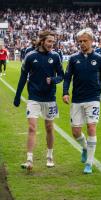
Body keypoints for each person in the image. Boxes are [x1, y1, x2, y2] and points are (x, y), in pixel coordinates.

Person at [63, 28, 101, 174]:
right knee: (76, 131)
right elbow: (67, 77)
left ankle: (89, 163)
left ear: (91, 41)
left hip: (93, 98)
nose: (82, 43)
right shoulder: (73, 59)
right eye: (80, 41)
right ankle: (85, 148)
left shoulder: (99, 59)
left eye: (85, 41)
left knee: (91, 127)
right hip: (77, 99)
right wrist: (65, 92)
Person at [13, 30, 64, 170]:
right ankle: (29, 160)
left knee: (49, 127)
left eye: (53, 42)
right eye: (49, 41)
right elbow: (23, 77)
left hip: (49, 98)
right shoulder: (30, 56)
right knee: (31, 127)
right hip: (34, 97)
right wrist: (17, 96)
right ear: (42, 41)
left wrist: (52, 80)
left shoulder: (55, 56)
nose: (51, 44)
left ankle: (49, 157)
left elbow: (61, 75)